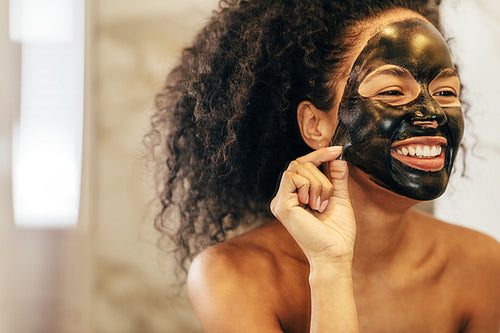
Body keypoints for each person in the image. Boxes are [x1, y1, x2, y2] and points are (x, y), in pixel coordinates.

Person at [147, 0, 500, 331]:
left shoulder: (481, 265)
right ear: (315, 125)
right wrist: (330, 268)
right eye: (392, 92)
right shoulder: (233, 275)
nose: (433, 113)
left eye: (446, 92)